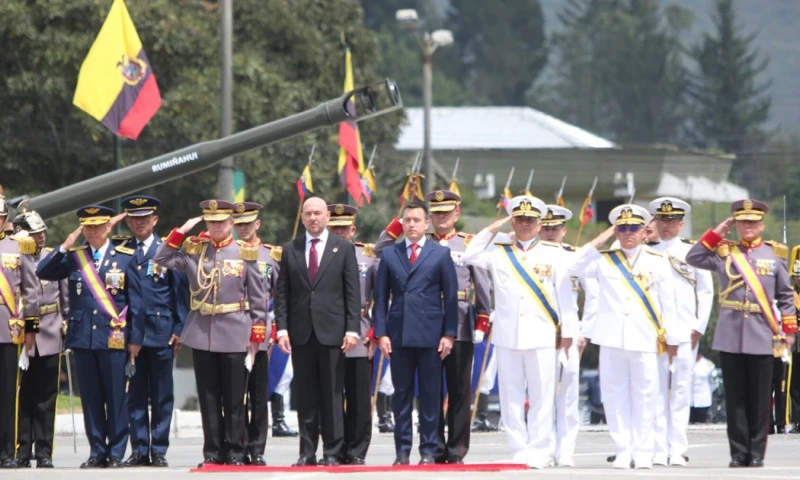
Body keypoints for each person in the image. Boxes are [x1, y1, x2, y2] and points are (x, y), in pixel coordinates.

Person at [463, 196, 578, 469]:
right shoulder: (498, 251)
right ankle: (519, 450)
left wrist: (569, 334)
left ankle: (540, 451)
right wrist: (496, 227)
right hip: (507, 335)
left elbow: (565, 298)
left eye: (530, 220)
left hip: (542, 336)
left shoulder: (555, 254)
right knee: (511, 398)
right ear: (513, 222)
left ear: (540, 224)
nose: (525, 224)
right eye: (520, 219)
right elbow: (470, 254)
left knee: (541, 398)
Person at [154, 199, 268, 466]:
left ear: (231, 223)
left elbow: (258, 297)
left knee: (234, 399)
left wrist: (256, 337)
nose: (216, 226)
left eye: (220, 222)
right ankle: (213, 453)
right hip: (202, 331)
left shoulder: (245, 252)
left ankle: (236, 451)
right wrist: (180, 232)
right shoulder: (196, 250)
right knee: (208, 398)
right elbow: (161, 258)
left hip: (235, 331)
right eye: (211, 222)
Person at [686, 199, 796, 468]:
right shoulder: (724, 251)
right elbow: (693, 258)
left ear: (761, 224)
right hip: (731, 332)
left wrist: (790, 331)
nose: (748, 226)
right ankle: (738, 453)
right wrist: (717, 233)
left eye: (753, 222)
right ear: (736, 224)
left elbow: (785, 296)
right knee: (735, 398)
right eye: (742, 222)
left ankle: (756, 452)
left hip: (763, 333)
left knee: (759, 399)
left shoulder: (774, 255)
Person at [568, 204, 679, 470]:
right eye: (623, 227)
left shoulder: (658, 261)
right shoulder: (603, 259)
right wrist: (602, 237)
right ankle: (622, 449)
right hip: (611, 339)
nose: (629, 232)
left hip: (646, 339)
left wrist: (673, 338)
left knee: (646, 395)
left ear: (644, 231)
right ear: (616, 231)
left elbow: (669, 304)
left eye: (634, 228)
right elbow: (573, 266)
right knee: (614, 396)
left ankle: (642, 451)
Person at [36, 205, 130, 468]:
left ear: (107, 227)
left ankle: (116, 452)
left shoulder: (124, 257)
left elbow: (136, 300)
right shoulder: (76, 257)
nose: (92, 231)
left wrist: (134, 338)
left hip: (113, 337)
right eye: (87, 227)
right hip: (83, 338)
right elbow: (43, 271)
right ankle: (97, 450)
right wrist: (66, 244)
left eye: (98, 226)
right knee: (91, 399)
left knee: (116, 398)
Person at [274, 196, 361, 467]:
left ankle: (332, 452)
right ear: (302, 218)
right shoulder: (291, 249)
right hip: (301, 333)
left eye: (318, 213)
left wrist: (352, 330)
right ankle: (307, 452)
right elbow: (282, 294)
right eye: (308, 214)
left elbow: (352, 293)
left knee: (332, 395)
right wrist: (282, 329)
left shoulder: (343, 248)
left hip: (333, 332)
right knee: (306, 396)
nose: (313, 218)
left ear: (327, 217)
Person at [373, 200, 459, 465]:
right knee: (401, 396)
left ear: (427, 224)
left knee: (431, 396)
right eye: (407, 220)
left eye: (417, 220)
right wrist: (381, 333)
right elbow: (380, 297)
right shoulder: (390, 254)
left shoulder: (440, 254)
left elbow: (452, 296)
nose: (411, 225)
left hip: (431, 334)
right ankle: (402, 452)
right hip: (399, 334)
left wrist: (449, 334)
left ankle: (429, 451)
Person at [119, 196, 189, 468]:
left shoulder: (168, 251)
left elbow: (179, 296)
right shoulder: (122, 251)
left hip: (161, 332)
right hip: (130, 335)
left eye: (145, 218)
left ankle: (158, 449)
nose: (140, 223)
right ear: (128, 220)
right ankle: (139, 449)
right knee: (134, 394)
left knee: (161, 395)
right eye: (135, 218)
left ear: (155, 220)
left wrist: (179, 329)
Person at [647, 197, 714, 466]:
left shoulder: (694, 251)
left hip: (686, 331)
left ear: (681, 223)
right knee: (656, 390)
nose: (666, 226)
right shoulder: (645, 251)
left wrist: (699, 326)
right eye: (662, 220)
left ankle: (677, 448)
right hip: (654, 331)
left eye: (672, 220)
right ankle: (657, 447)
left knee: (682, 389)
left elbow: (706, 291)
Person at [539, 204, 593, 468]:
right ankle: (545, 449)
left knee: (568, 395)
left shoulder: (575, 256)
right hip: (538, 333)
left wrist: (585, 331)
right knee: (541, 394)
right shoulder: (528, 256)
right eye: (545, 228)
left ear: (564, 230)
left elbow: (593, 295)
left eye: (554, 228)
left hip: (570, 335)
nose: (549, 233)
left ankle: (566, 451)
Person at [325, 203, 378, 465]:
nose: (339, 233)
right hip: (326, 330)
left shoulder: (367, 256)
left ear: (353, 229)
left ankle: (356, 450)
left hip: (359, 329)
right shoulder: (317, 255)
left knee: (358, 396)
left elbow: (382, 296)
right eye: (334, 228)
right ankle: (333, 450)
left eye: (343, 229)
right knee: (330, 395)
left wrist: (377, 333)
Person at [12, 209, 64, 469]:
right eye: (34, 233)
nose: (40, 237)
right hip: (20, 334)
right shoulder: (15, 259)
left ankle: (44, 450)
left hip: (51, 329)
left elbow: (65, 298)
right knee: (22, 394)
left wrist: (66, 326)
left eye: (42, 232)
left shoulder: (52, 258)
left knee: (46, 396)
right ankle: (22, 449)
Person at [231, 201, 280, 465]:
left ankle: (257, 448)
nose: (243, 228)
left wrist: (277, 332)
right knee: (236, 395)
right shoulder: (229, 253)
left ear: (257, 224)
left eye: (247, 224)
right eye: (238, 224)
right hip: (233, 335)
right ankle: (237, 447)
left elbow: (280, 297)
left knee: (259, 396)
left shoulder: (271, 255)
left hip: (261, 335)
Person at [0, 189, 39, 470]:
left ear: (5, 218)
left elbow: (32, 290)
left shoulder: (18, 246)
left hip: (7, 330)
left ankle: (6, 451)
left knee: (6, 395)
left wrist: (31, 330)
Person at [787, 246, 800, 433]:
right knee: (795, 385)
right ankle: (797, 420)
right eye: (797, 275)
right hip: (795, 344)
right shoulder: (790, 295)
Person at [690, 350, 717, 424]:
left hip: (703, 401)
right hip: (689, 400)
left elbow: (714, 383)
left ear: (700, 354)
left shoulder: (708, 365)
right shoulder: (687, 362)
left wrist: (707, 392)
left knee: (701, 424)